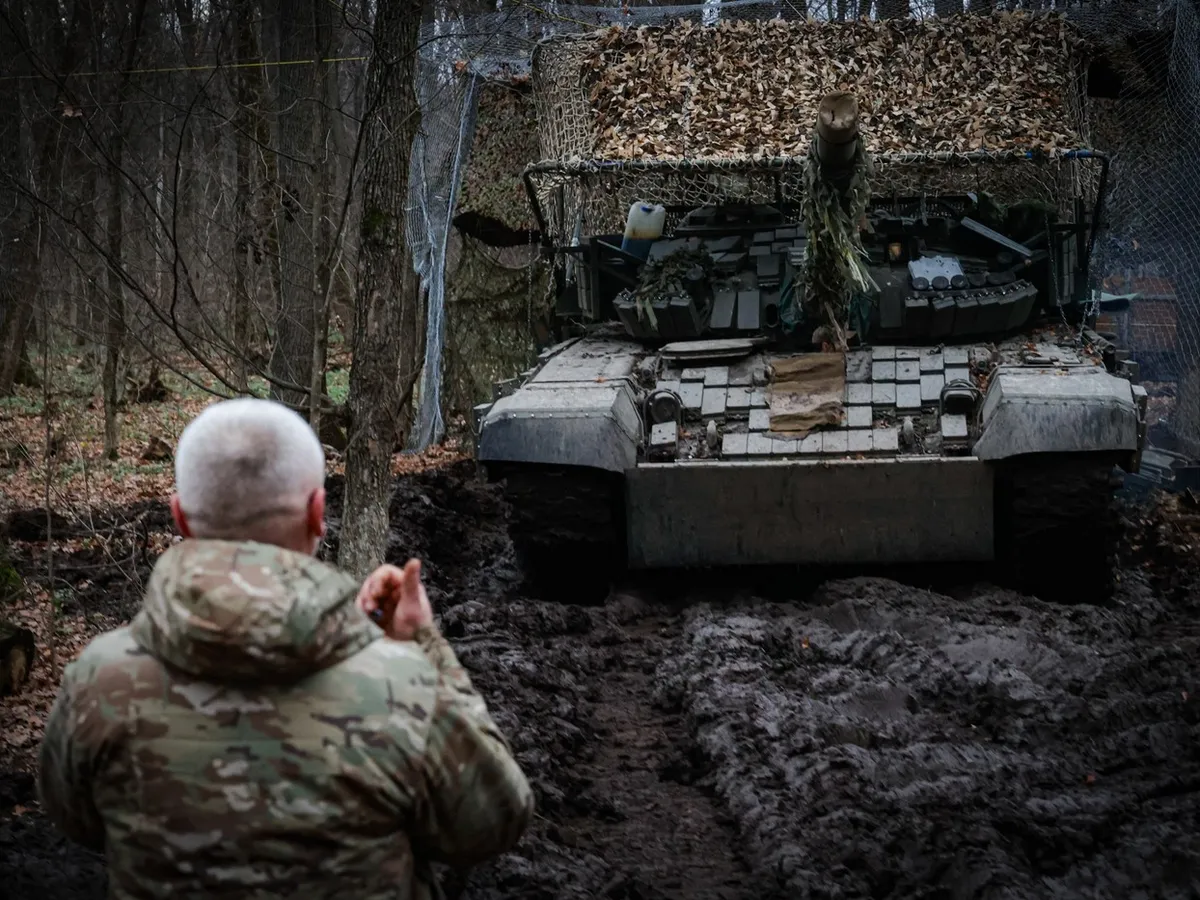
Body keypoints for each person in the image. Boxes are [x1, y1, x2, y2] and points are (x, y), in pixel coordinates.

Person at [37, 396, 534, 898]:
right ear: (318, 513)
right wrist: (423, 645)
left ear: (180, 518)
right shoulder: (402, 686)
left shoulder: (98, 679)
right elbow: (493, 823)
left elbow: (76, 821)